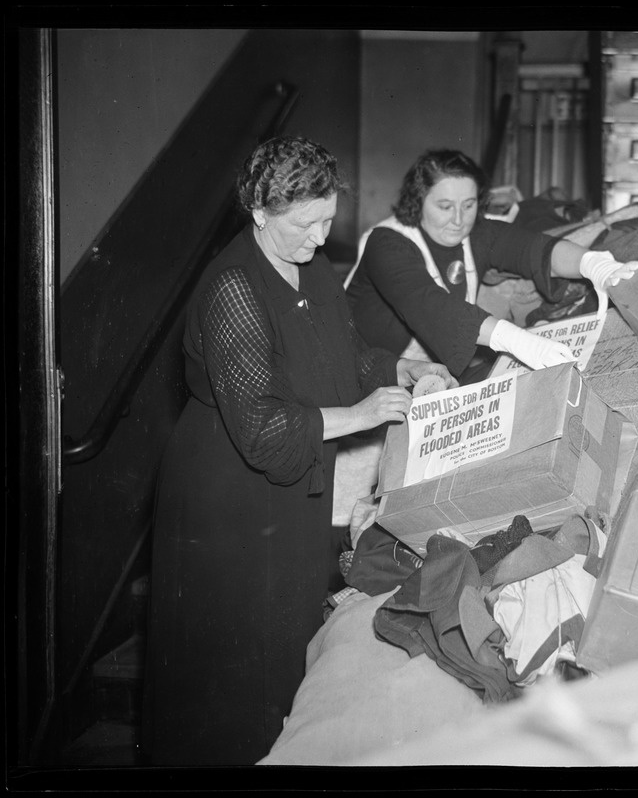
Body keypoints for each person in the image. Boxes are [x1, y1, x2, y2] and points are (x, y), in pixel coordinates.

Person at [141, 136, 456, 766]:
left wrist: (406, 370)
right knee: (233, 671)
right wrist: (362, 415)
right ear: (260, 210)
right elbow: (262, 429)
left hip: (286, 487)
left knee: (281, 654)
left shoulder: (310, 267)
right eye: (304, 223)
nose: (319, 238)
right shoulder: (234, 288)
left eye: (327, 222)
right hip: (228, 497)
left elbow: (347, 357)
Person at [345, 149, 638, 383]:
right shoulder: (386, 243)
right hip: (369, 376)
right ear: (418, 201)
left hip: (431, 374)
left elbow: (533, 248)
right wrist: (517, 340)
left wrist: (595, 264)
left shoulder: (475, 233)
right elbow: (430, 306)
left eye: (469, 205)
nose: (458, 219)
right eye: (445, 207)